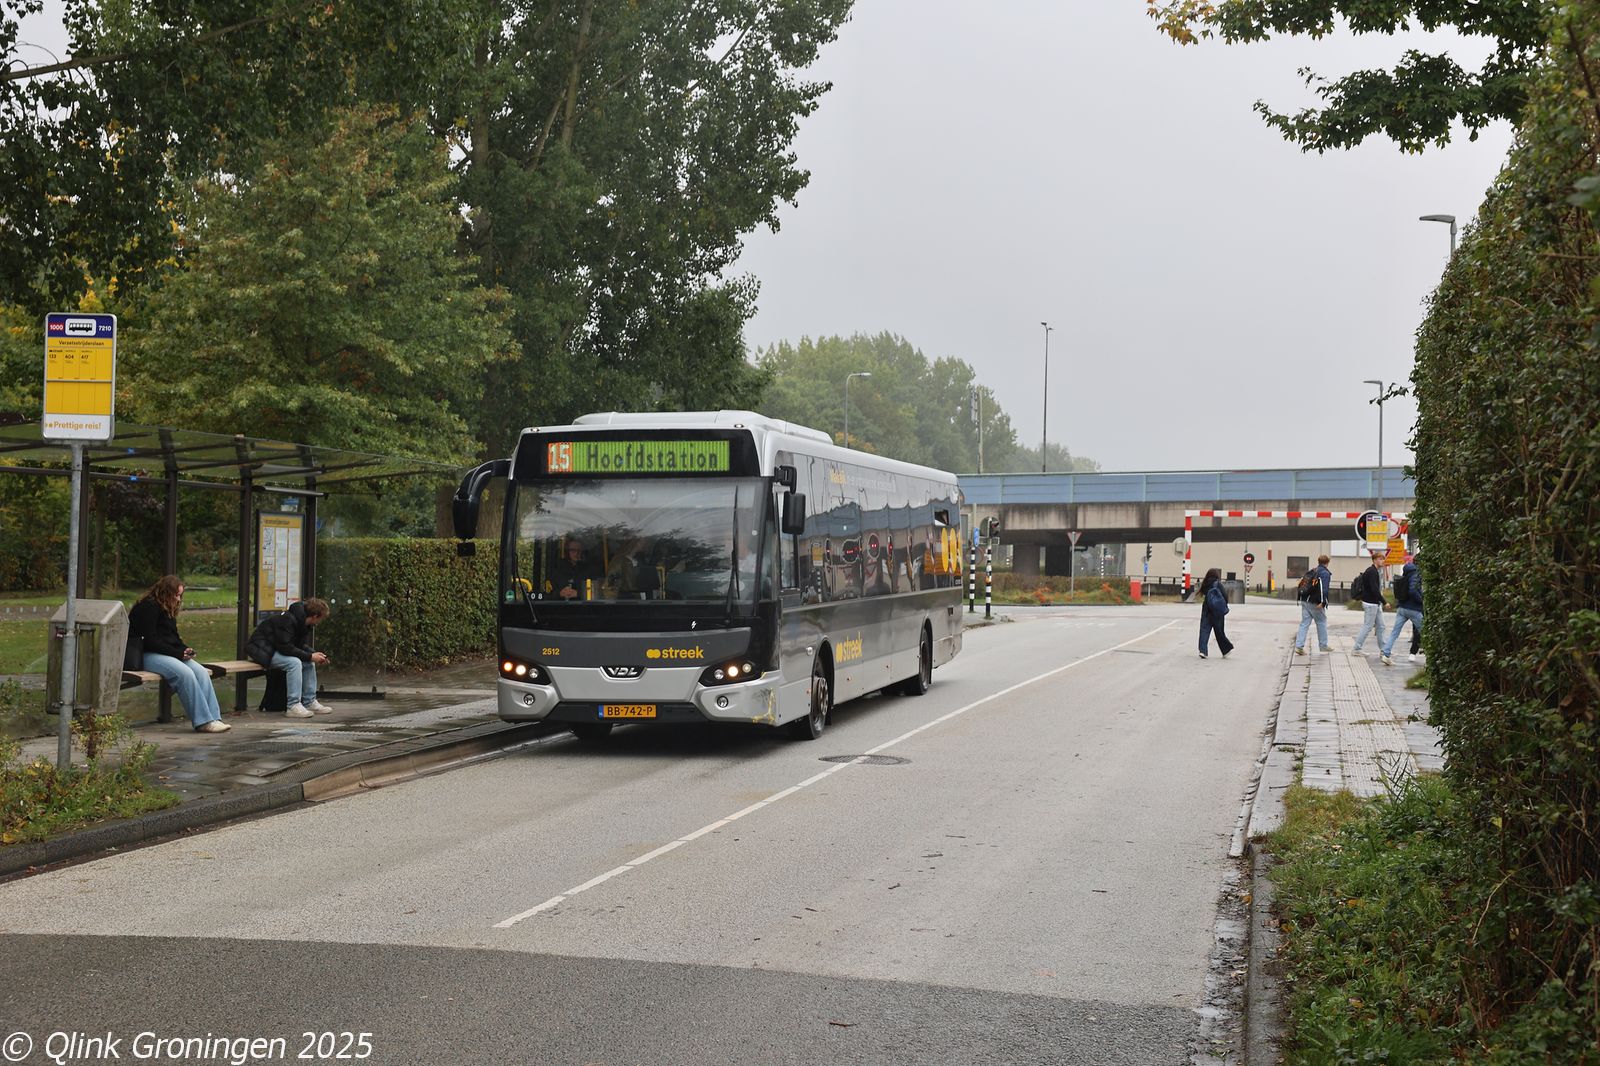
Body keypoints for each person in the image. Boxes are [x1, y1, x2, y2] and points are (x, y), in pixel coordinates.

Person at [128, 575, 229, 733]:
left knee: (201, 672)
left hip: (164, 654)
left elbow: (173, 637)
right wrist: (177, 653)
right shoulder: (148, 607)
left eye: (180, 595)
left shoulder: (167, 607)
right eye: (176, 595)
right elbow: (150, 641)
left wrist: (184, 649)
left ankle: (214, 717)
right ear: (165, 592)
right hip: (145, 654)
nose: (178, 599)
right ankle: (203, 721)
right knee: (184, 674)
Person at [245, 597, 331, 718]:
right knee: (294, 663)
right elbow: (285, 647)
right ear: (315, 616)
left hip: (274, 649)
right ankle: (293, 705)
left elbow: (299, 645)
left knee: (308, 662)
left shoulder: (302, 623)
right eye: (321, 619)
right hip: (262, 650)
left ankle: (309, 701)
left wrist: (314, 654)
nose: (320, 622)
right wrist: (310, 656)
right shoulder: (288, 620)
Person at [1381, 555, 1424, 666]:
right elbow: (1412, 591)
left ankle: (1385, 654)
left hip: (1402, 608)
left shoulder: (1407, 571)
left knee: (1394, 633)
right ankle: (1433, 659)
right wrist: (1422, 600)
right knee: (1425, 633)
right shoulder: (1416, 573)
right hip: (1413, 609)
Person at [1350, 551, 1388, 655]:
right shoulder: (1372, 572)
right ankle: (1356, 649)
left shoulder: (1374, 571)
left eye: (1383, 559)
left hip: (1375, 603)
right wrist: (1384, 602)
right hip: (1371, 604)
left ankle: (1384, 650)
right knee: (1368, 626)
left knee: (1381, 626)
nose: (1382, 561)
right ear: (1374, 560)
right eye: (1380, 559)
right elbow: (1374, 589)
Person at [1294, 554, 1332, 655]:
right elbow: (1324, 589)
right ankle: (1323, 645)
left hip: (1304, 600)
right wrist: (1323, 602)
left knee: (1304, 623)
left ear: (1319, 562)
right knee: (1321, 621)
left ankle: (1299, 646)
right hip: (1314, 602)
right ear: (1327, 562)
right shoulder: (1325, 573)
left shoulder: (1313, 571)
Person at [1197, 567, 1234, 660]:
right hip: (1217, 611)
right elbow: (1225, 596)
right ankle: (1225, 650)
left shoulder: (1205, 584)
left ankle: (1203, 651)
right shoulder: (1218, 584)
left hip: (1207, 609)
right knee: (1219, 631)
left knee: (1204, 630)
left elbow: (1204, 594)